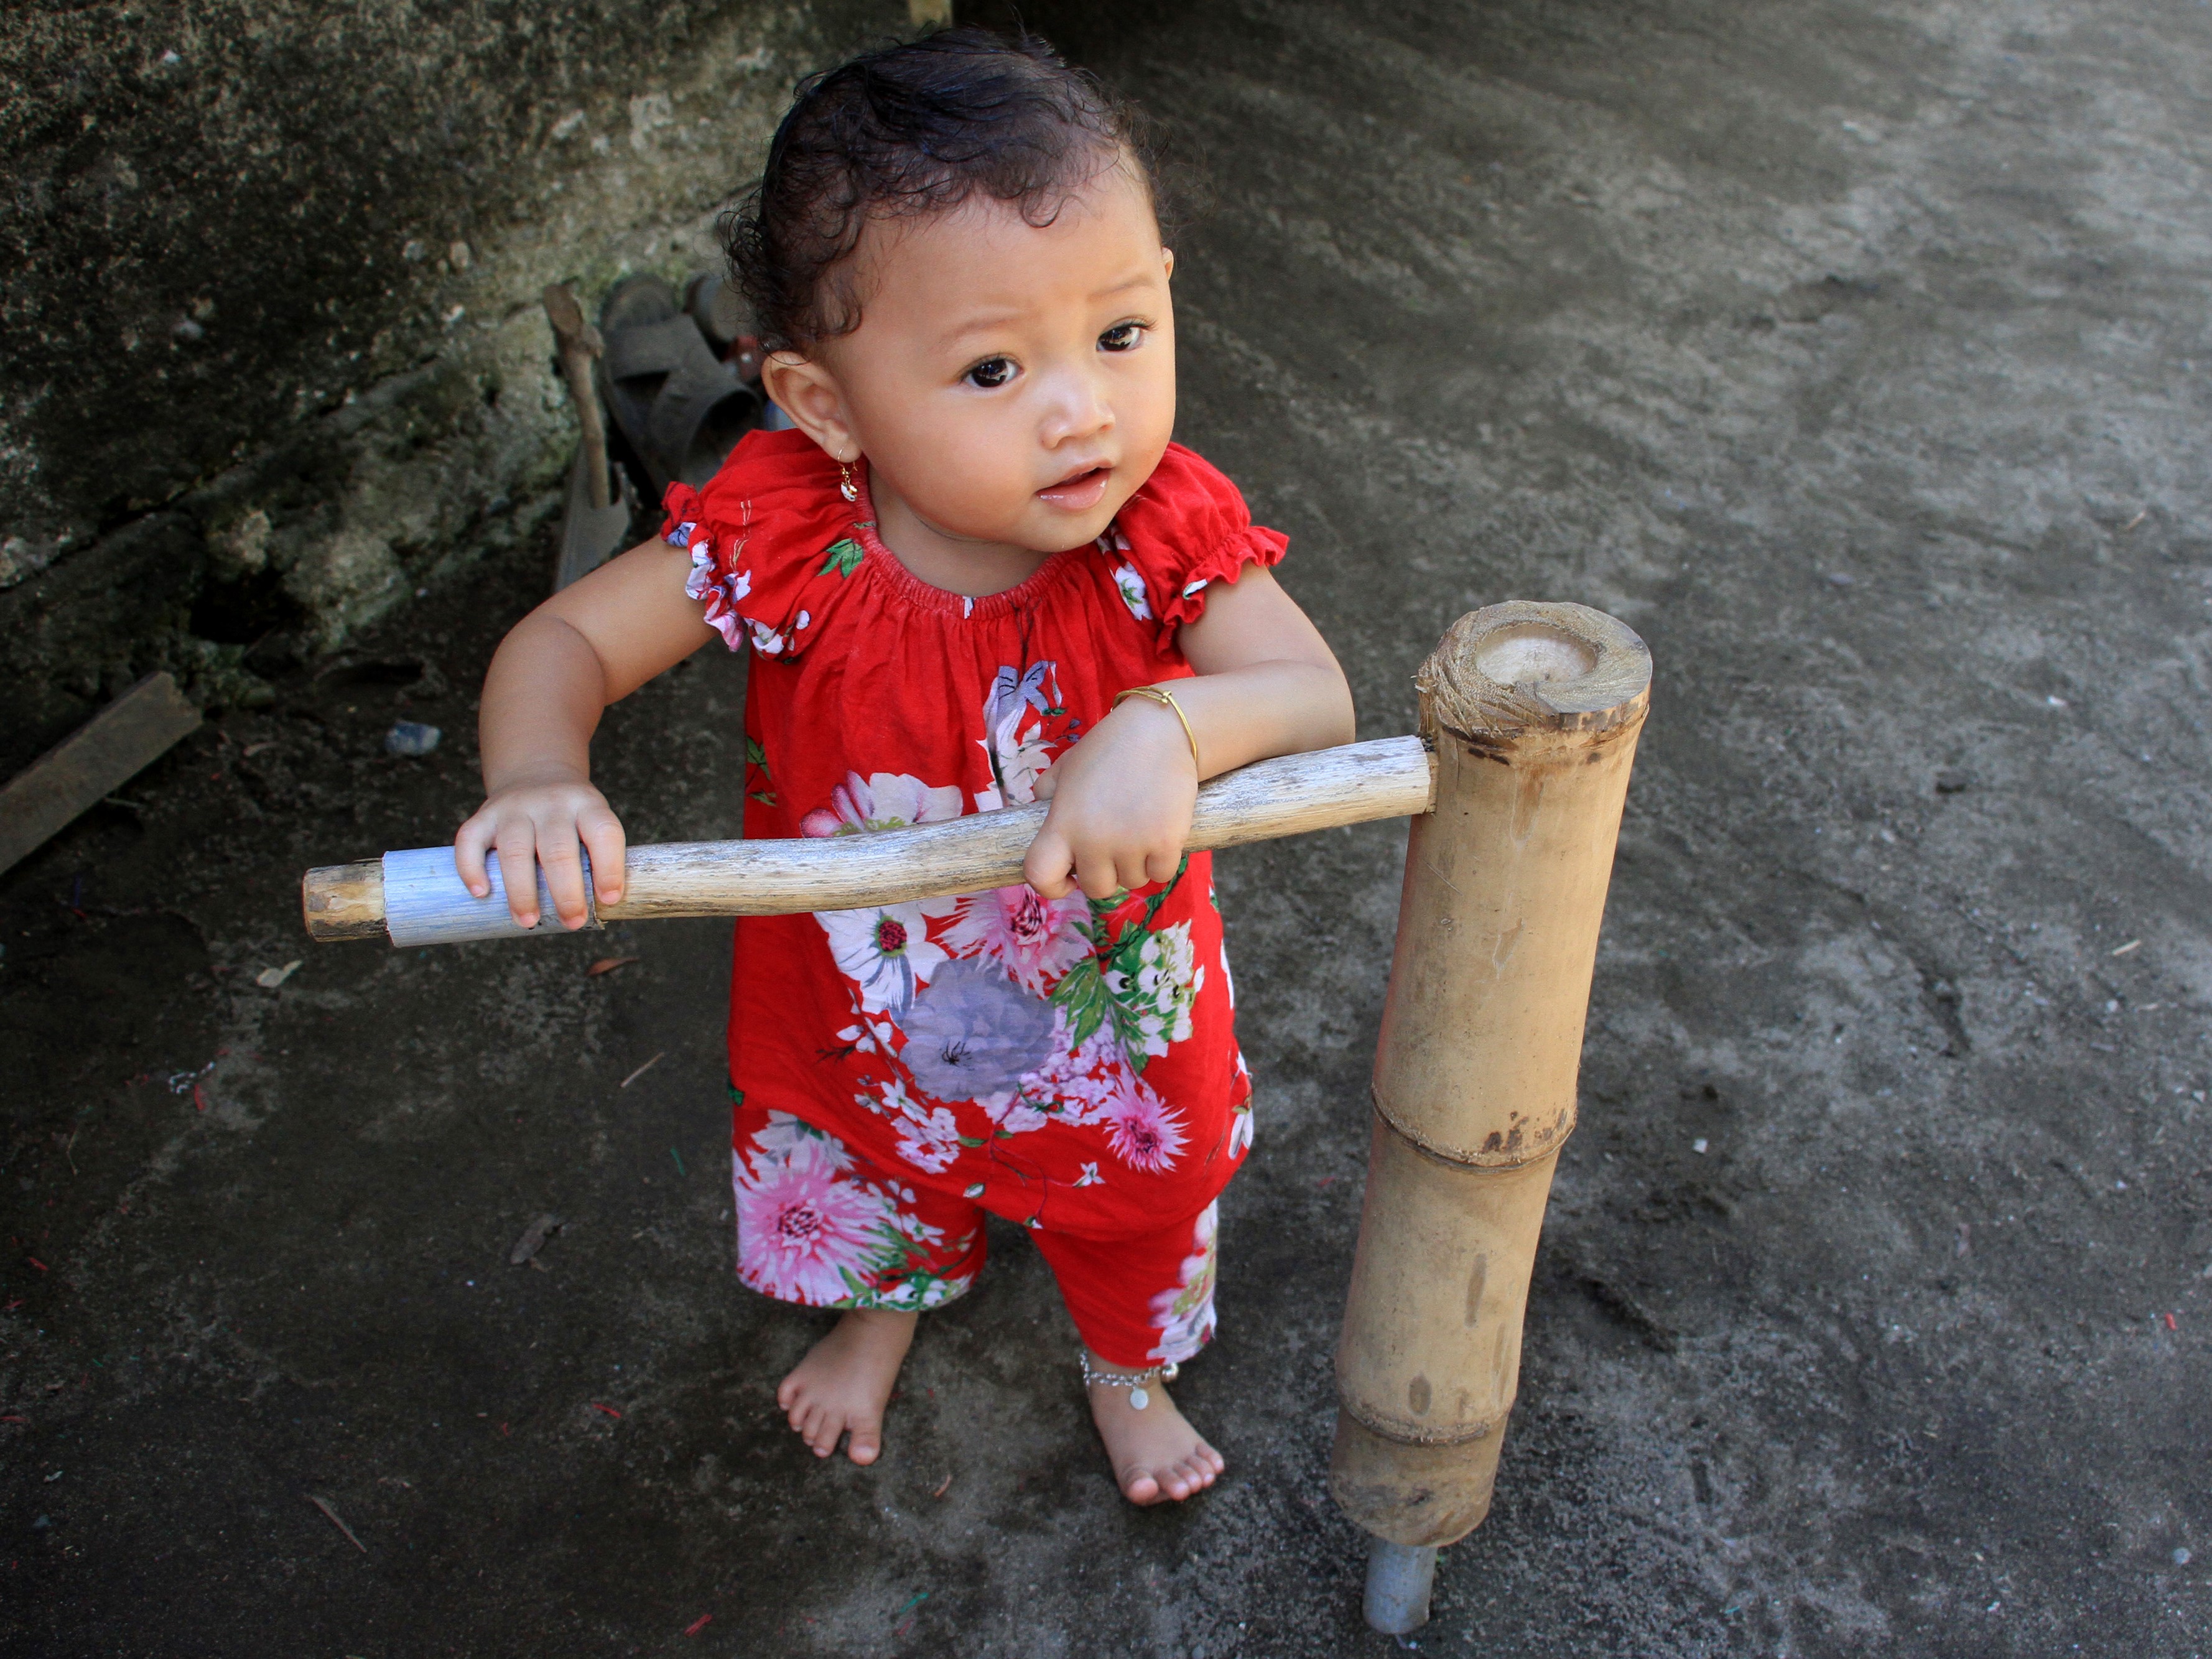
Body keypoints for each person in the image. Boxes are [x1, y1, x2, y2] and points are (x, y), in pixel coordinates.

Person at [453, 27, 1353, 1506]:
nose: (1082, 408)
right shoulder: (786, 534)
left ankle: (1123, 1362)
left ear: (1167, 296)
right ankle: (886, 1299)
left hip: (1102, 1006)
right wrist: (541, 773)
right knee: (878, 1154)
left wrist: (1167, 724)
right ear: (824, 404)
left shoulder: (1154, 530)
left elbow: (1309, 690)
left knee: (1137, 1190)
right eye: (993, 367)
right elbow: (565, 644)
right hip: (865, 992)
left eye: (1119, 334)